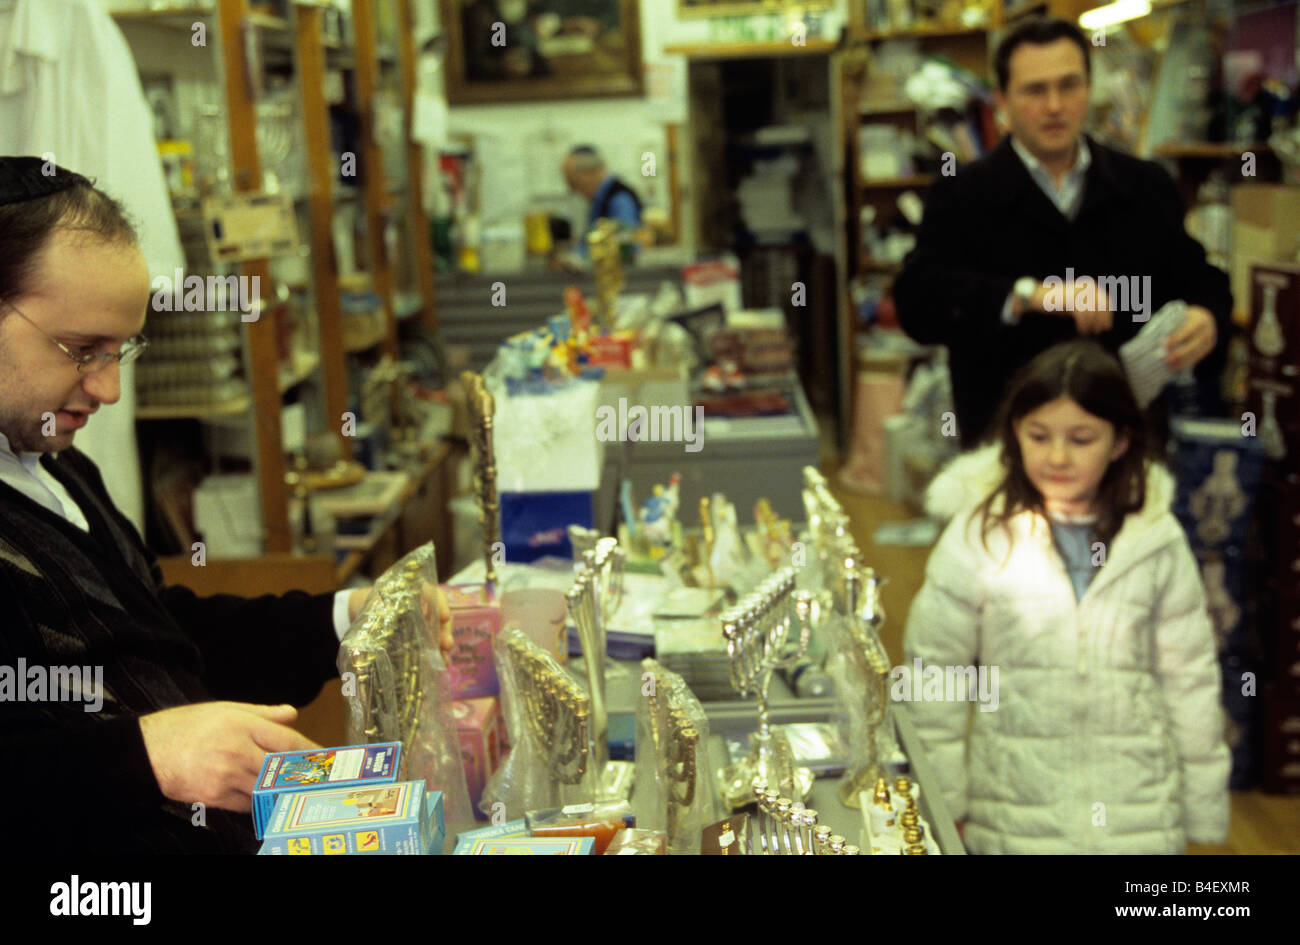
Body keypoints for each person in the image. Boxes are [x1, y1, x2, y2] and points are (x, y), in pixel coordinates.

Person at [0, 157, 452, 854]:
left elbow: (157, 636)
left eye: (121, 350)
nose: (109, 388)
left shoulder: (55, 464)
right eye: (82, 348)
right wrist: (146, 752)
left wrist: (341, 619)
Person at [904, 340, 1229, 854]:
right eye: (1039, 435)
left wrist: (1203, 808)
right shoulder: (978, 536)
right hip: (1014, 815)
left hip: (1137, 817)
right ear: (1015, 433)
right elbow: (934, 678)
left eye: (1081, 439)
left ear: (1120, 441)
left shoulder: (1157, 540)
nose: (1057, 456)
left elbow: (1189, 677)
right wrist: (944, 805)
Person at [893, 17, 1232, 449]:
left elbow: (1200, 278)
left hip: (1124, 446)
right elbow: (917, 303)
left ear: (1089, 89)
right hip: (1005, 446)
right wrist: (1030, 295)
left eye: (1069, 85)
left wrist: (1207, 315)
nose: (1055, 106)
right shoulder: (960, 195)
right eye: (1035, 90)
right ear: (1002, 101)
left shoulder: (1145, 185)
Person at [562, 145, 642, 255]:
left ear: (590, 173)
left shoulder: (619, 198)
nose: (572, 190)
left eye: (573, 182)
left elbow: (625, 244)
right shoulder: (600, 199)